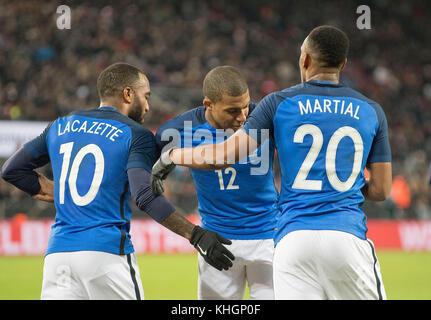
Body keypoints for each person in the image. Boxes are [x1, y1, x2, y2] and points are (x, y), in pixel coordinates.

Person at [151, 26, 392, 300]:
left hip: (292, 240)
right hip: (345, 234)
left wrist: (173, 156)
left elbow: (223, 156)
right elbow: (381, 191)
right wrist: (339, 189)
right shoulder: (372, 110)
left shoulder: (276, 104)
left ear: (305, 59)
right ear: (344, 64)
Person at [1, 62, 234, 300]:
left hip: (58, 257)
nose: (147, 106)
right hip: (106, 254)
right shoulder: (136, 134)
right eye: (146, 96)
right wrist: (195, 235)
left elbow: (12, 169)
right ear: (128, 94)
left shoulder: (60, 125)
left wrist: (63, 192)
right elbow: (144, 195)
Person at [154, 66, 278, 300]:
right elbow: (145, 187)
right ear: (208, 104)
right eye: (232, 111)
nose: (242, 117)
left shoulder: (264, 118)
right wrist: (192, 233)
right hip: (216, 242)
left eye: (245, 107)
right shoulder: (177, 130)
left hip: (269, 237)